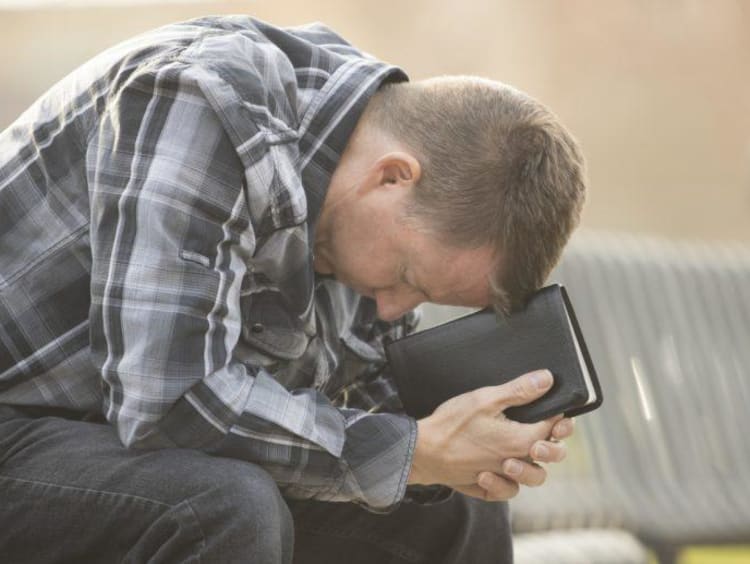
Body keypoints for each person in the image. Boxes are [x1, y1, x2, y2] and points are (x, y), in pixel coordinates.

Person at [0, 15, 586, 564]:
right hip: (18, 425)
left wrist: (464, 445)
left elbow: (352, 413)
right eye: (406, 276)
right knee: (222, 506)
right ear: (392, 176)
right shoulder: (205, 100)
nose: (391, 308)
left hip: (99, 446)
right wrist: (416, 451)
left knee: (457, 513)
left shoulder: (356, 190)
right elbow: (169, 401)